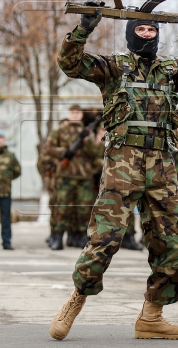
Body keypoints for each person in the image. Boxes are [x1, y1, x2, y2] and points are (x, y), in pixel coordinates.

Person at [50, 3, 178, 341]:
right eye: (141, 30)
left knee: (176, 245)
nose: (147, 34)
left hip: (162, 168)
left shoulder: (170, 70)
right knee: (106, 239)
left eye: (152, 30)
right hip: (122, 167)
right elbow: (70, 64)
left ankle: (151, 316)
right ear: (131, 34)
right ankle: (76, 299)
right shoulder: (114, 68)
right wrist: (84, 28)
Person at [43, 105, 101, 250]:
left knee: (83, 210)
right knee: (63, 208)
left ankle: (81, 238)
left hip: (84, 177)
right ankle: (57, 237)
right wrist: (64, 152)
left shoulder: (87, 132)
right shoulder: (59, 130)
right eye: (72, 112)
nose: (75, 115)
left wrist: (87, 141)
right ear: (69, 114)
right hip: (65, 175)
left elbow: (94, 152)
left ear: (81, 115)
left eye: (77, 113)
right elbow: (48, 148)